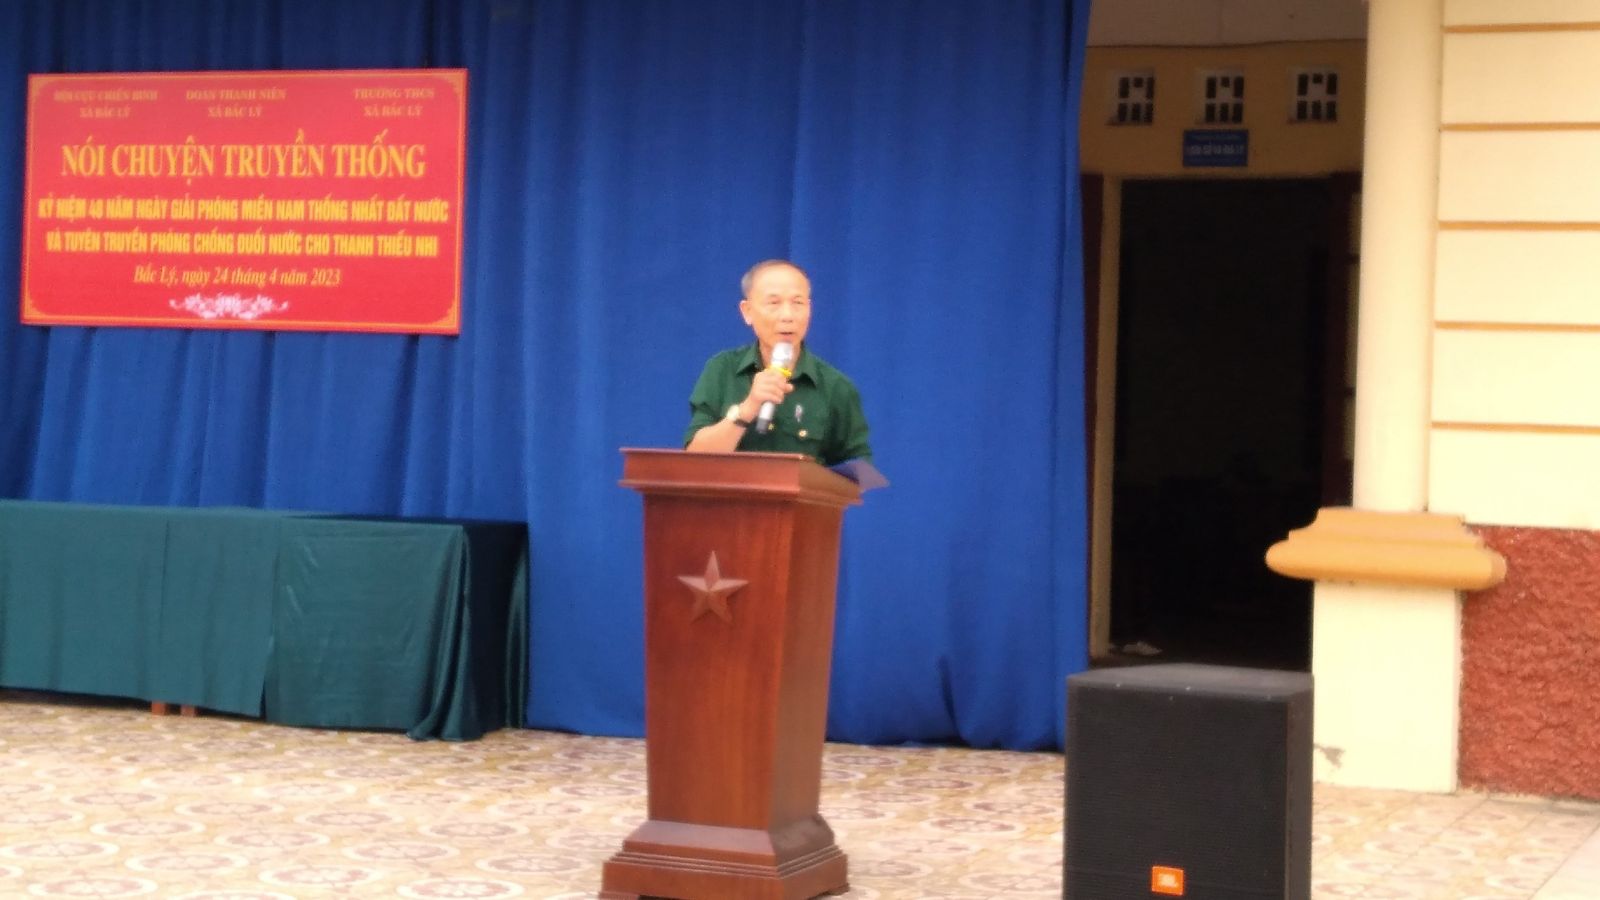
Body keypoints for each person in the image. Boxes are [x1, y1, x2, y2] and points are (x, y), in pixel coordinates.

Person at [684, 260, 871, 466]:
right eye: (774, 303)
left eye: (797, 303)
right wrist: (747, 408)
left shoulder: (835, 386)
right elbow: (694, 461)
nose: (787, 316)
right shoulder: (722, 370)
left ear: (809, 309)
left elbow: (858, 472)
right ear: (747, 311)